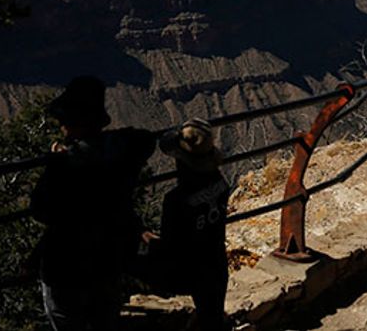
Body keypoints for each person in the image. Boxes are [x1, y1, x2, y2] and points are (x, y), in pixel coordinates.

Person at [30, 76, 156, 331]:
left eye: (65, 120)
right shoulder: (121, 151)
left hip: (67, 266)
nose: (61, 125)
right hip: (108, 257)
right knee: (104, 320)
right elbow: (146, 139)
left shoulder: (65, 166)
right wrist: (100, 145)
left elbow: (40, 210)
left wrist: (58, 163)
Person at [153, 119, 230, 331]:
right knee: (211, 317)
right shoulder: (221, 183)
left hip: (188, 270)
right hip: (216, 262)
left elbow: (169, 246)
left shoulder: (176, 200)